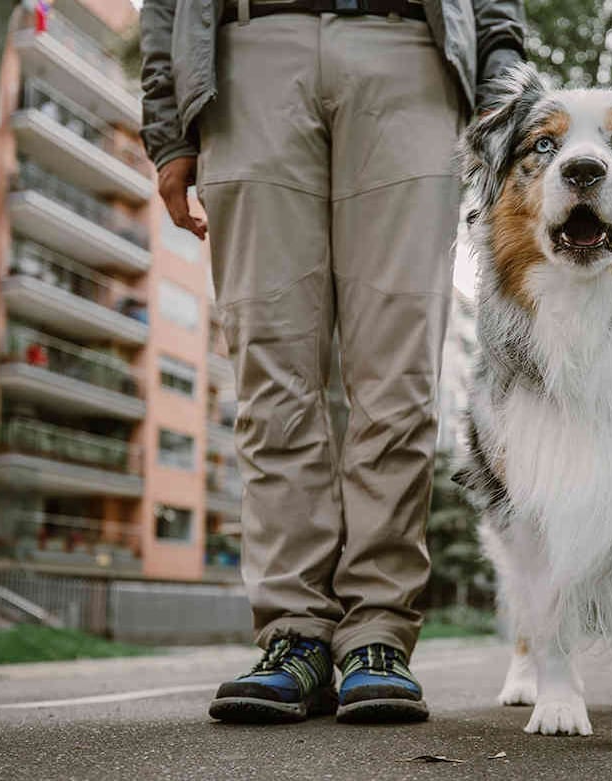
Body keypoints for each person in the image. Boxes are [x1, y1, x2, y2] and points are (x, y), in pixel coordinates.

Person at [140, 0, 525, 724]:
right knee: (270, 369)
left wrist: (506, 96)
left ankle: (377, 633)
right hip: (245, 59)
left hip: (412, 54)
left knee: (398, 370)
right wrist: (167, 129)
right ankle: (294, 634)